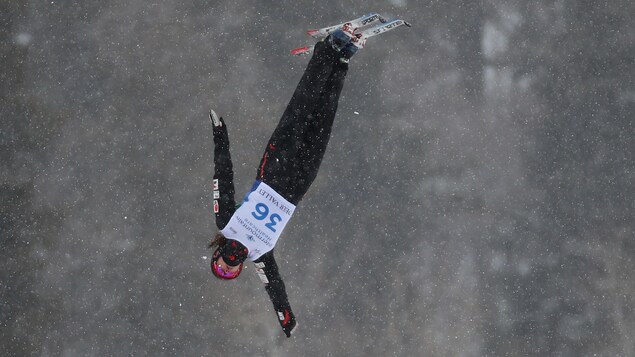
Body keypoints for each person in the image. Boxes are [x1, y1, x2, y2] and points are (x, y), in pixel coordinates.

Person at [209, 29, 362, 338]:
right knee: (322, 121)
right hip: (297, 187)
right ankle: (342, 60)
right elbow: (276, 289)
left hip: (273, 172)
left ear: (218, 253)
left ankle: (327, 50)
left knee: (301, 110)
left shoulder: (227, 222)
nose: (229, 265)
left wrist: (220, 135)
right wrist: (286, 318)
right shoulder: (260, 255)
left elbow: (223, 176)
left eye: (222, 265)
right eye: (231, 272)